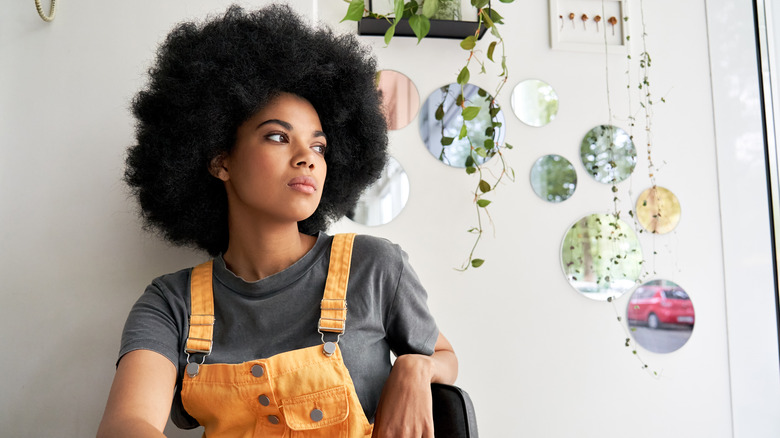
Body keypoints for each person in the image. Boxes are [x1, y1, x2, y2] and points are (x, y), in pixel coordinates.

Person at [97, 4, 457, 438]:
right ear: (219, 160)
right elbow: (127, 422)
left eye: (319, 147)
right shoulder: (172, 304)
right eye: (277, 136)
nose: (307, 158)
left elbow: (444, 355)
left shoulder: (374, 267)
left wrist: (416, 368)